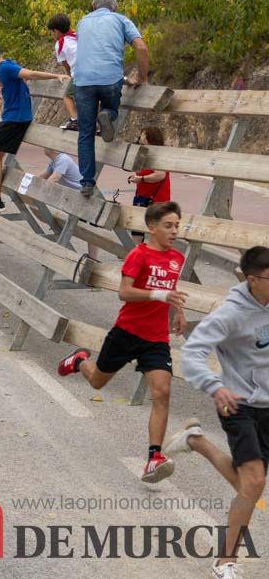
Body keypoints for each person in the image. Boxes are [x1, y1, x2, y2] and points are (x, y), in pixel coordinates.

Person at [57, 202, 186, 484]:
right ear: (152, 228)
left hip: (156, 339)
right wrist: (158, 296)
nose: (174, 231)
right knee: (97, 382)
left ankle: (154, 458)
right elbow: (124, 292)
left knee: (162, 392)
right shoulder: (138, 255)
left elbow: (170, 290)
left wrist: (178, 312)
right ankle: (80, 361)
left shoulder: (177, 257)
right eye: (168, 225)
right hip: (126, 332)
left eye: (177, 225)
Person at [175, 246, 269, 579]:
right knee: (254, 483)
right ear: (252, 279)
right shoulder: (230, 314)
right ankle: (224, 561)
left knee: (250, 485)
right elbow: (192, 353)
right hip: (237, 404)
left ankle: (197, 442)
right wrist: (215, 387)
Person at [0, 41, 67, 213]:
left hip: (16, 118)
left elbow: (31, 74)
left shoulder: (5, 68)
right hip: (12, 117)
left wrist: (55, 76)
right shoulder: (6, 66)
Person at [73, 0, 150, 197]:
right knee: (110, 107)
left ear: (93, 5)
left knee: (86, 133)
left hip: (82, 82)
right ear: (114, 6)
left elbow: (92, 55)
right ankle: (108, 113)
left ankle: (87, 183)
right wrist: (142, 77)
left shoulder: (81, 23)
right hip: (109, 80)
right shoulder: (121, 20)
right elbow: (141, 48)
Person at [47, 13, 78, 130]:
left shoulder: (60, 44)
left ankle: (74, 120)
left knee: (67, 96)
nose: (52, 35)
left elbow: (67, 66)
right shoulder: (77, 35)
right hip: (96, 70)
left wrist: (71, 76)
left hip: (80, 74)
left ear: (56, 31)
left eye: (52, 32)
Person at [128, 126, 171, 208]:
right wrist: (136, 178)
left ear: (150, 138)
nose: (140, 136)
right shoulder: (145, 153)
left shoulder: (156, 154)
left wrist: (141, 179)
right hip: (144, 198)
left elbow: (160, 175)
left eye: (143, 134)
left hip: (156, 200)